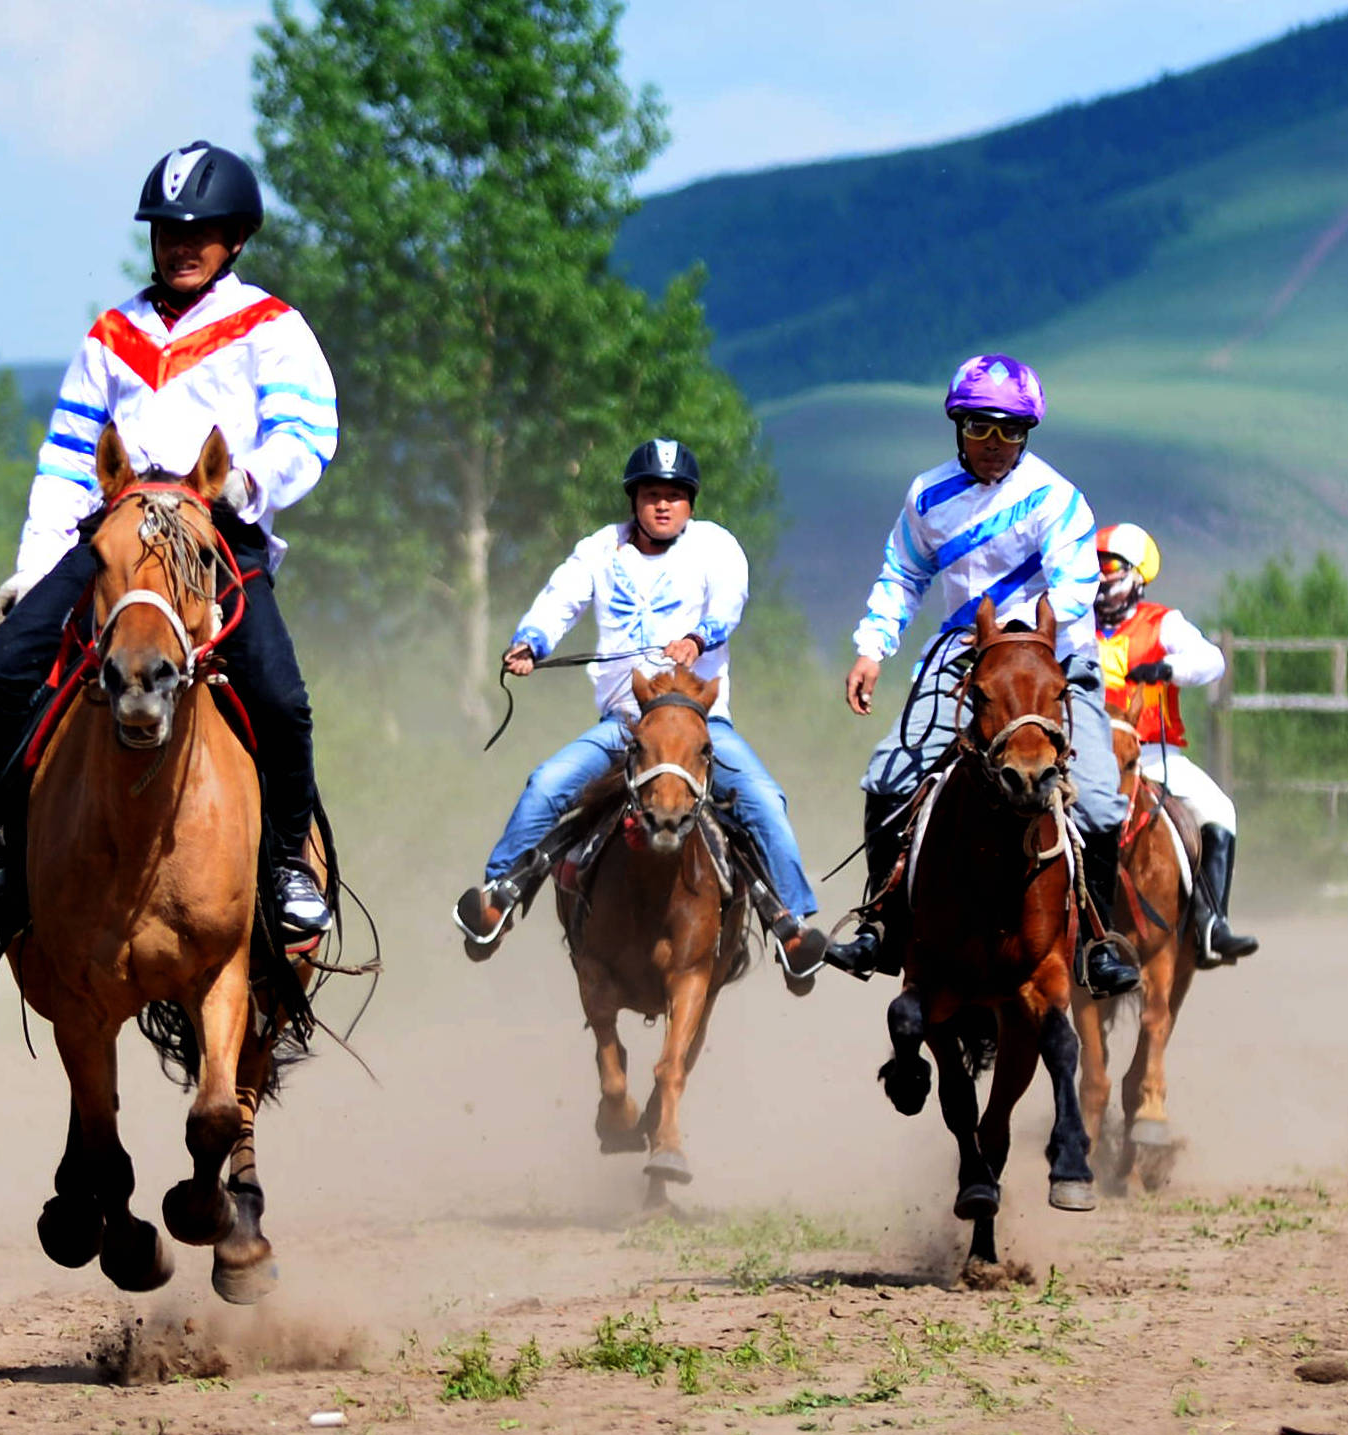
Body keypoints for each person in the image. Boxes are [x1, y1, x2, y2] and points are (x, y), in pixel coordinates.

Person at [0, 140, 336, 943]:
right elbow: (64, 458)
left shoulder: (272, 327)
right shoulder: (110, 332)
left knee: (280, 698)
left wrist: (245, 483)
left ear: (235, 239)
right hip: (112, 537)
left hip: (215, 537)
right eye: (167, 230)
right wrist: (35, 566)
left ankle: (290, 860)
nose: (181, 244)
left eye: (201, 230)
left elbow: (307, 430)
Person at [824, 355, 1141, 998]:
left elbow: (1075, 585)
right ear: (957, 427)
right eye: (980, 429)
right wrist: (872, 649)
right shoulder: (926, 495)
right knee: (888, 773)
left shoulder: (1057, 498)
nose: (995, 445)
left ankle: (1096, 945)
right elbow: (903, 575)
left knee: (1103, 799)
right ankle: (881, 923)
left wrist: (1017, 639)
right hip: (964, 659)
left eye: (1010, 432)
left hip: (1053, 661)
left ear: (1027, 435)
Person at [453, 440, 830, 979]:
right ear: (635, 500)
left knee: (764, 799)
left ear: (690, 505)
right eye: (652, 494)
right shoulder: (599, 551)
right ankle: (500, 895)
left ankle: (790, 923)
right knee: (546, 782)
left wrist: (700, 638)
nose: (663, 505)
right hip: (625, 727)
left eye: (675, 496)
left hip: (701, 727)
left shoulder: (715, 547)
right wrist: (532, 641)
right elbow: (562, 597)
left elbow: (730, 600)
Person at [1088, 523, 1260, 968]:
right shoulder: (1074, 623)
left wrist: (1167, 669)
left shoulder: (1162, 623)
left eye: (1110, 566)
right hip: (1085, 757)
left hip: (1153, 758)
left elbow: (1212, 661)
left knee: (1220, 811)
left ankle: (1210, 925)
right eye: (1095, 567)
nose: (1101, 576)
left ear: (1136, 575)